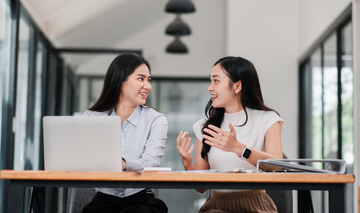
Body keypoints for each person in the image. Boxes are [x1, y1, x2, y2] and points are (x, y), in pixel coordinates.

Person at [176, 56, 284, 213]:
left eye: (216, 81)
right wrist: (187, 163)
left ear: (237, 86)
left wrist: (239, 148)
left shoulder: (268, 120)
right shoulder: (205, 126)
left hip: (255, 206)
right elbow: (201, 187)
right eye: (210, 81)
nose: (210, 87)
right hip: (217, 205)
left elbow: (278, 166)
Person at [82, 53, 168, 213]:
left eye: (148, 80)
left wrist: (124, 163)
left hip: (141, 200)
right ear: (120, 82)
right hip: (103, 200)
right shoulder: (92, 117)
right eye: (141, 79)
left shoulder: (156, 120)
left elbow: (151, 164)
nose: (148, 86)